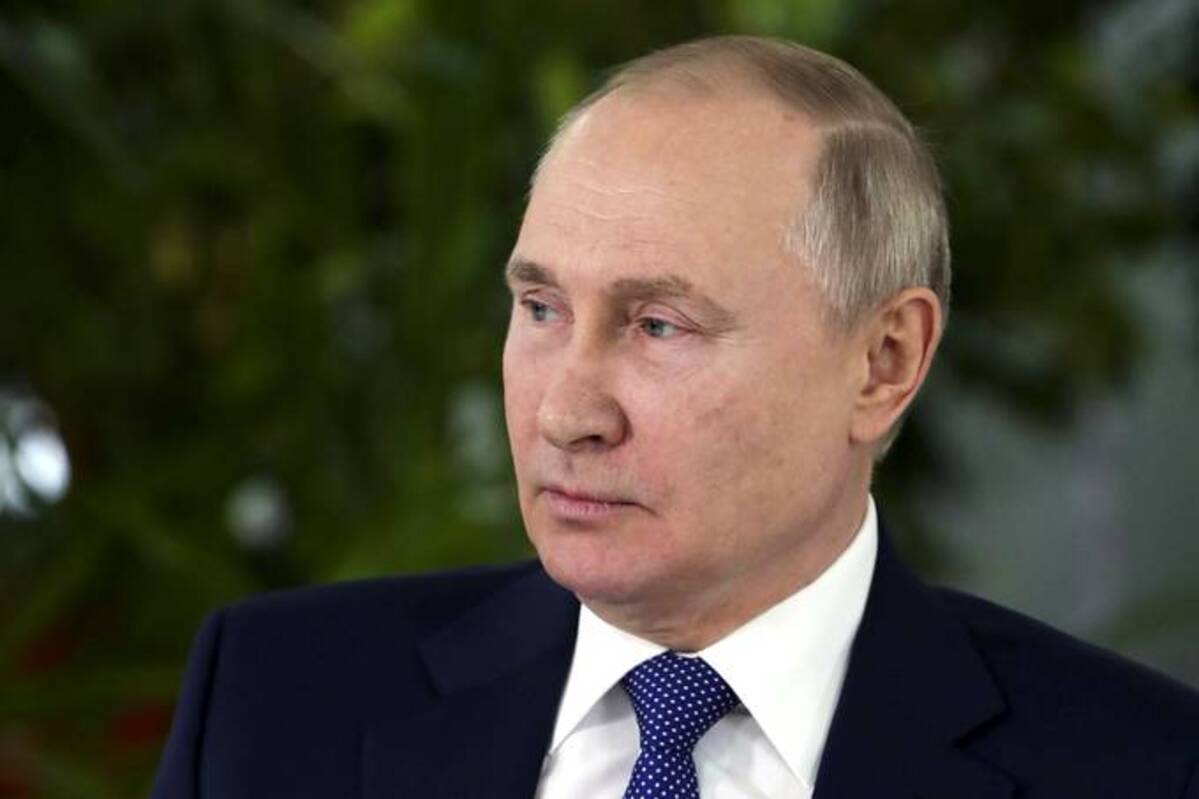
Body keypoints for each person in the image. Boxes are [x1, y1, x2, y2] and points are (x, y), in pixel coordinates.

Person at [151, 36, 1199, 799]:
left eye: (658, 325)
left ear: (882, 362)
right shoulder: (272, 700)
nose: (565, 409)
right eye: (539, 307)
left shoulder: (1138, 766)